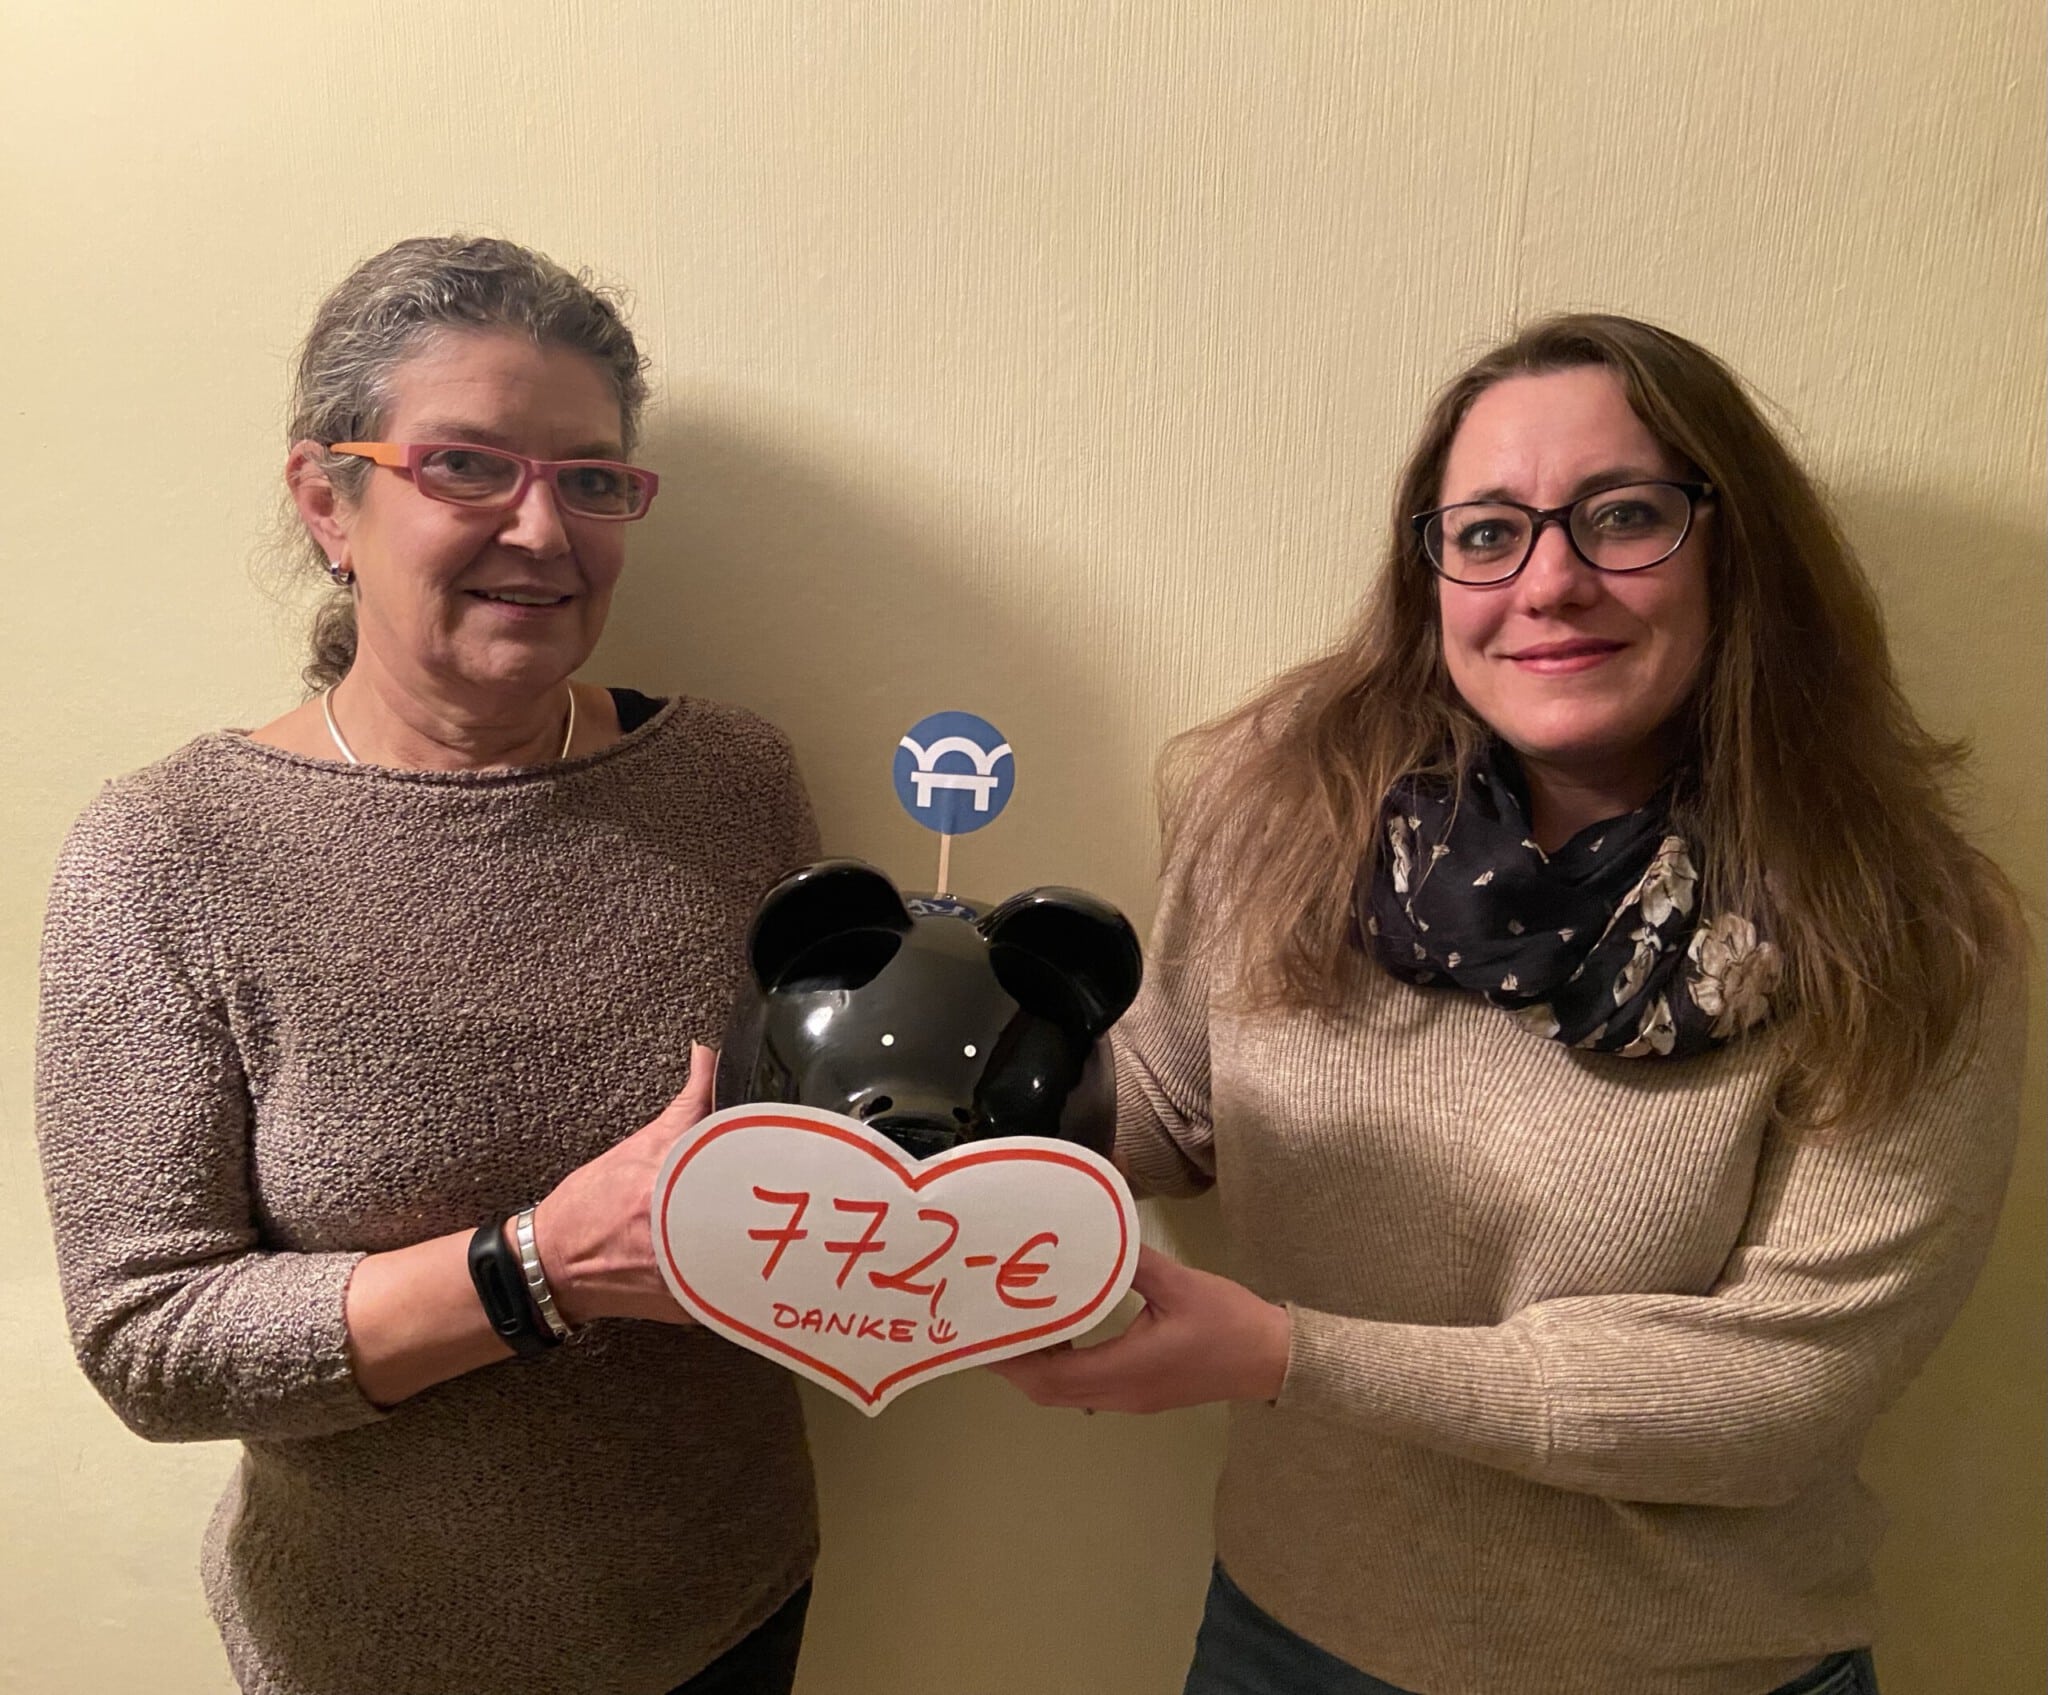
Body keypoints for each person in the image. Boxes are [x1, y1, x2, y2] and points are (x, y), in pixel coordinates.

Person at [993, 314, 2025, 1695]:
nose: (1549, 584)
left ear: (1737, 552)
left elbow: (1781, 1396)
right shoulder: (1286, 805)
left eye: (1624, 516)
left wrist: (1291, 1358)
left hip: (1690, 1675)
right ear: (1428, 574)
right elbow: (1175, 1099)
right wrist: (948, 1108)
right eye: (1487, 533)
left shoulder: (1899, 932)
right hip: (1283, 1639)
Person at [36, 236, 821, 1695]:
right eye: (467, 466)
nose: (543, 529)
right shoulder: (168, 849)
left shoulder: (734, 780)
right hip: (374, 1651)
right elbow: (148, 1340)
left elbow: (793, 1149)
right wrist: (536, 1272)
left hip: (731, 1597)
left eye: (592, 479)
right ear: (326, 501)